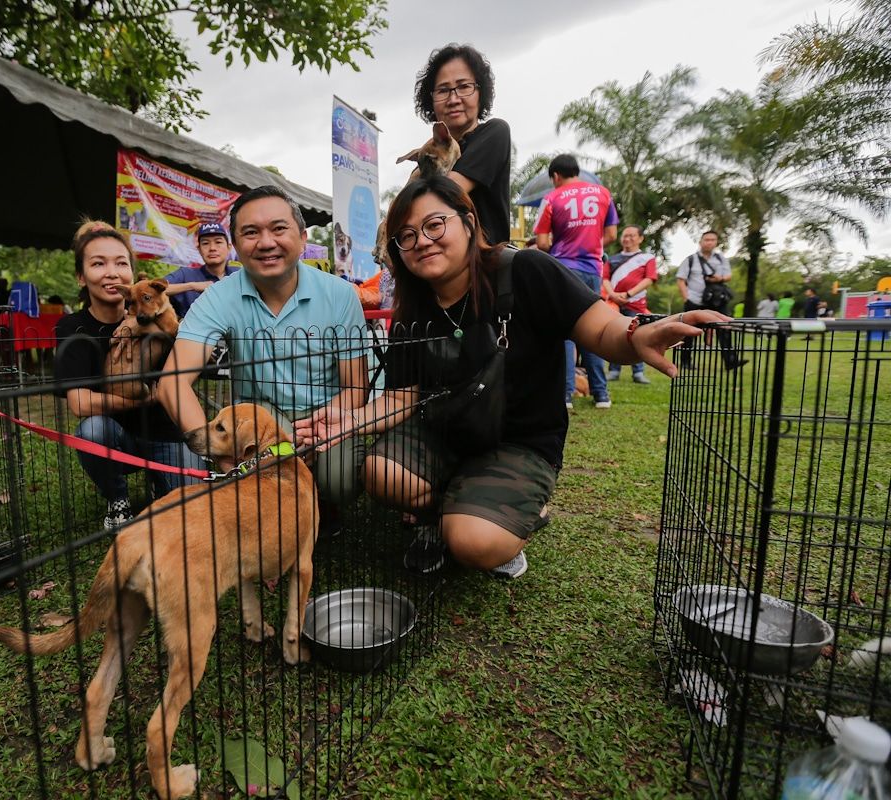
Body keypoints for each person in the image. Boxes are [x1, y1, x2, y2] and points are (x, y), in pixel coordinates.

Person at [295, 175, 723, 576]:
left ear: (468, 222)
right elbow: (402, 397)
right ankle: (448, 508)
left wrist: (636, 332)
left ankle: (499, 517)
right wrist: (349, 420)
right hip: (445, 433)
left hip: (520, 441)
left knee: (472, 542)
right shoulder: (413, 308)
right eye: (406, 237)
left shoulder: (527, 270)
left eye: (433, 225)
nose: (421, 242)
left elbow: (602, 327)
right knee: (381, 473)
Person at [156, 185, 369, 517]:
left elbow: (355, 387)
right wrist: (222, 455)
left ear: (302, 237)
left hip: (328, 412)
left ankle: (324, 507)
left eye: (278, 229)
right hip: (263, 413)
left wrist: (320, 428)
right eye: (251, 232)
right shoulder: (218, 296)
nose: (267, 242)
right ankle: (273, 512)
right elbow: (172, 382)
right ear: (236, 246)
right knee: (269, 464)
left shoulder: (341, 295)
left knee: (338, 480)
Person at [54, 220, 203, 529]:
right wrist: (148, 397)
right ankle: (117, 498)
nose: (111, 272)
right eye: (98, 263)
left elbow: (189, 370)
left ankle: (159, 477)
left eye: (121, 263)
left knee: (192, 511)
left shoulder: (160, 315)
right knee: (92, 429)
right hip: (117, 436)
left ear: (132, 275)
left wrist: (140, 322)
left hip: (166, 431)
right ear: (82, 277)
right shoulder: (73, 328)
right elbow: (81, 405)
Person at [534, 154, 619, 409]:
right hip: (593, 269)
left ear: (555, 176)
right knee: (593, 329)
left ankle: (565, 395)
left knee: (565, 333)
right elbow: (611, 234)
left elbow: (541, 242)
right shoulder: (603, 193)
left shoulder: (551, 197)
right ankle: (601, 395)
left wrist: (558, 246)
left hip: (562, 270)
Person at [414, 44, 511, 245]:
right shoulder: (429, 157)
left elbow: (445, 193)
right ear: (431, 99)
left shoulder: (495, 133)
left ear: (480, 92)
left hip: (485, 267)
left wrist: (415, 180)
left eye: (464, 87)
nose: (453, 99)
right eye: (443, 90)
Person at [676, 231, 746, 371]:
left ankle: (730, 360)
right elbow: (681, 279)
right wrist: (686, 298)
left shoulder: (721, 259)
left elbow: (728, 276)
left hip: (716, 300)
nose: (709, 242)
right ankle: (685, 361)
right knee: (689, 332)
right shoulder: (690, 259)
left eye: (712, 240)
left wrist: (718, 279)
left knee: (724, 328)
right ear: (700, 241)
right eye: (706, 239)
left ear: (716, 242)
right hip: (695, 300)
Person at [604, 224, 659, 384]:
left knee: (638, 335)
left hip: (636, 304)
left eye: (631, 235)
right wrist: (613, 295)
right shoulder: (612, 258)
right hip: (614, 304)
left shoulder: (647, 258)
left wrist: (629, 294)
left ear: (640, 238)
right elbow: (605, 278)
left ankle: (638, 372)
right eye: (624, 235)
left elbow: (649, 279)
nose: (627, 239)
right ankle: (613, 370)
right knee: (614, 335)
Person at [161, 221, 240, 318]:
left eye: (218, 242)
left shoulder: (240, 274)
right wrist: (191, 286)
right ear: (199, 249)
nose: (212, 248)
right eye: (205, 243)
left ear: (229, 247)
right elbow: (150, 289)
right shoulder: (185, 274)